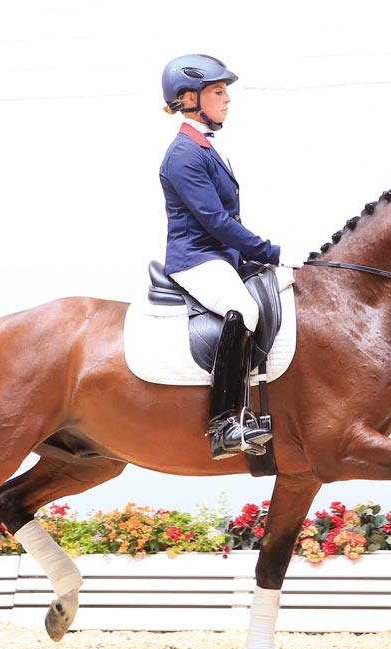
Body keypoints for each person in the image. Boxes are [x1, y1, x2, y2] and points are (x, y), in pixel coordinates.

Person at [159, 53, 280, 460]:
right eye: (218, 91)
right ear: (189, 98)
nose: (227, 98)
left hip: (220, 255)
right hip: (197, 258)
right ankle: (224, 423)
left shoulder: (206, 147)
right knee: (243, 310)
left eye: (225, 90)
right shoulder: (183, 154)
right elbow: (214, 221)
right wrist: (267, 251)